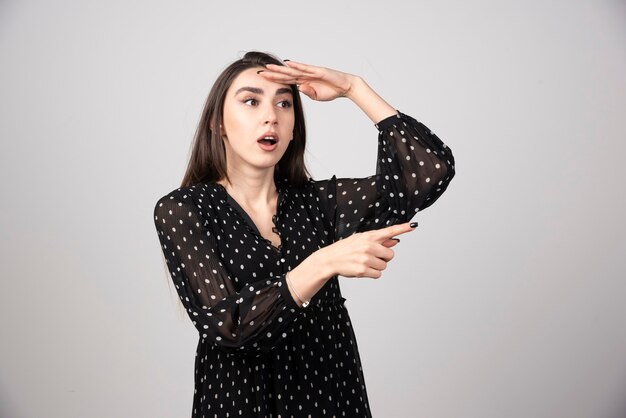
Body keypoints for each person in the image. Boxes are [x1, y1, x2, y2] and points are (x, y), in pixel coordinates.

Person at [153, 51, 455, 417]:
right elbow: (229, 326)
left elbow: (428, 171)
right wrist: (325, 261)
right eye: (251, 101)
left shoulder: (317, 203)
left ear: (294, 126)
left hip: (331, 401)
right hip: (241, 405)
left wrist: (353, 88)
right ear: (218, 123)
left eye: (284, 103)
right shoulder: (184, 209)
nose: (271, 116)